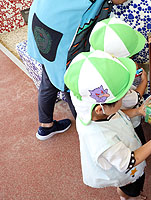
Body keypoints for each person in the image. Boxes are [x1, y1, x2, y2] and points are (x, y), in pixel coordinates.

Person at [64, 50, 151, 200]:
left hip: (124, 146)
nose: (124, 98)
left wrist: (137, 111)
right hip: (125, 171)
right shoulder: (101, 138)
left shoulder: (89, 106)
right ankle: (128, 197)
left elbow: (118, 115)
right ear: (100, 109)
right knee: (131, 187)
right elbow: (130, 161)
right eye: (121, 98)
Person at [27, 0, 127, 140]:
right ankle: (90, 138)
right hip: (59, 29)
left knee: (49, 74)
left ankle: (46, 126)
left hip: (43, 17)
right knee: (73, 85)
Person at [88, 17, 148, 144]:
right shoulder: (115, 86)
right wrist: (144, 81)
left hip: (120, 115)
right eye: (130, 56)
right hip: (128, 120)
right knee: (135, 137)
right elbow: (136, 97)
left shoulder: (95, 64)